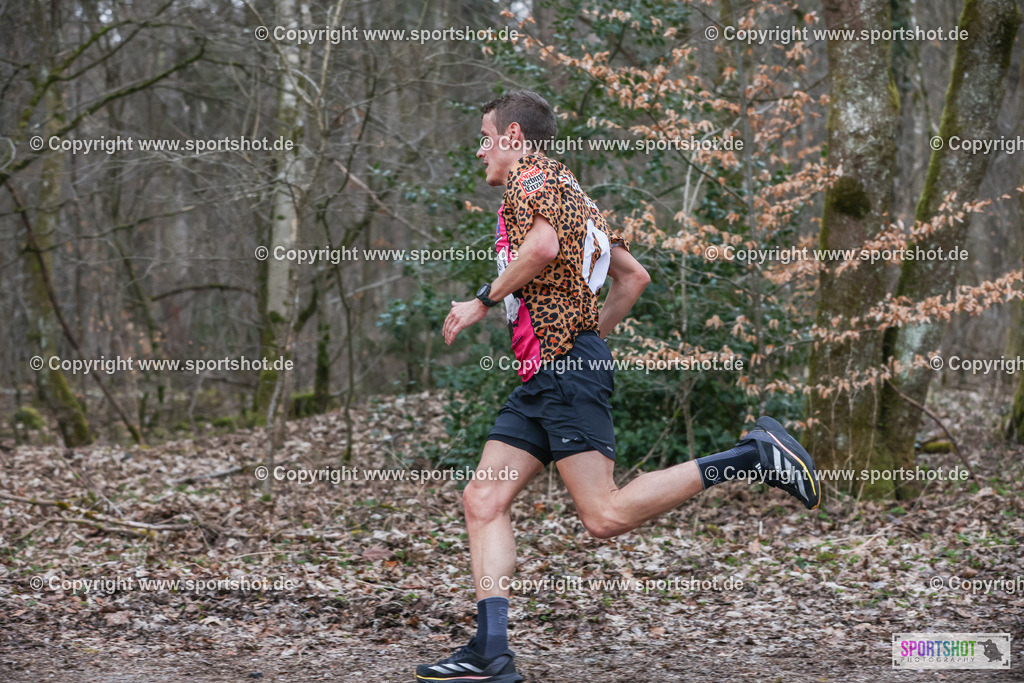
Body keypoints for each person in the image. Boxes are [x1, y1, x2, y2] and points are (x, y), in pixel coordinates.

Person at [416, 90, 820, 683]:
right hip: (550, 373)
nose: (481, 151)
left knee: (603, 515)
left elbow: (543, 249)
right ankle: (491, 652)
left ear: (514, 138)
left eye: (485, 138)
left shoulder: (531, 181)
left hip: (562, 371)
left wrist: (484, 301)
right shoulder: (576, 195)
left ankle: (751, 457)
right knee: (483, 500)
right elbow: (633, 278)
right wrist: (585, 338)